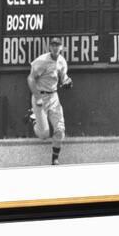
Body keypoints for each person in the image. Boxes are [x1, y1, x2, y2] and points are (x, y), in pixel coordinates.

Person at [25, 37, 73, 165]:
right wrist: (38, 97)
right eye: (53, 45)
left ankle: (54, 159)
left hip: (53, 97)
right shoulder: (42, 61)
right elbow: (30, 79)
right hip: (39, 96)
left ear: (61, 47)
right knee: (44, 134)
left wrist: (67, 81)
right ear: (50, 47)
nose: (55, 47)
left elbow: (64, 77)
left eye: (57, 45)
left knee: (60, 130)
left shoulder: (62, 62)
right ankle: (33, 118)